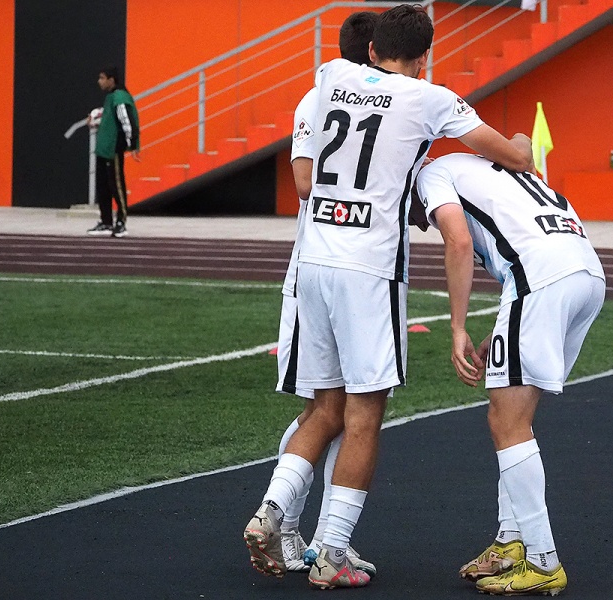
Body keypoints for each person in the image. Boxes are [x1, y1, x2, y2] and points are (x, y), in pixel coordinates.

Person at [246, 3, 533, 590]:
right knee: (364, 414)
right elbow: (513, 155)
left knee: (324, 407)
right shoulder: (430, 98)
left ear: (372, 50)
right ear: (425, 57)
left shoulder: (331, 75)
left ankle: (273, 511)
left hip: (313, 261)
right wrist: (522, 141)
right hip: (369, 268)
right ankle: (332, 550)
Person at [413, 149, 606, 596]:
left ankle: (542, 560)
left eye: (412, 216)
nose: (420, 224)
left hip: (541, 278)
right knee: (517, 417)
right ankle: (510, 540)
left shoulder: (429, 175)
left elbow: (459, 242)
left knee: (507, 421)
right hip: (586, 274)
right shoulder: (480, 162)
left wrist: (457, 326)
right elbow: (519, 141)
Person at [244, 11, 379, 579]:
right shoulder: (382, 103)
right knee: (343, 410)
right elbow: (306, 184)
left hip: (313, 268)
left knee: (324, 408)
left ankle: (291, 525)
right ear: (374, 52)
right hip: (348, 266)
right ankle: (309, 534)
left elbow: (303, 181)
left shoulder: (314, 98)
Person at [87, 66, 140, 238]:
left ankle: (121, 222)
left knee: (116, 185)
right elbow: (109, 117)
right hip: (104, 148)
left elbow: (128, 121)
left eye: (102, 78)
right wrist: (96, 118)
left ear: (111, 80)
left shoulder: (120, 97)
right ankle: (106, 221)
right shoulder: (111, 97)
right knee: (103, 186)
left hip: (113, 148)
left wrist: (133, 145)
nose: (99, 81)